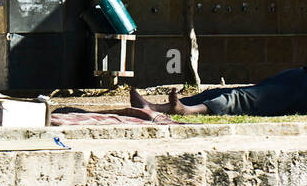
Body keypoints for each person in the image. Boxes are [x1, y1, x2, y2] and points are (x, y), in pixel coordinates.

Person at [130, 66, 307, 117]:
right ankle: (159, 107)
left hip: (302, 87)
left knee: (242, 98)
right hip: (299, 75)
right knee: (224, 91)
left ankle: (188, 110)